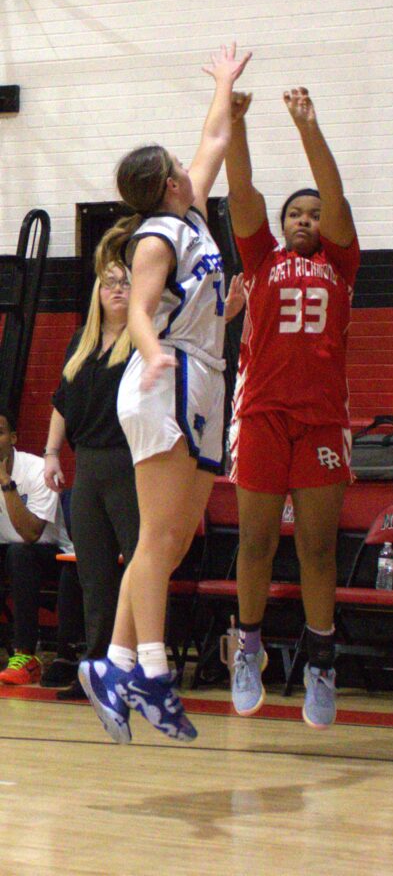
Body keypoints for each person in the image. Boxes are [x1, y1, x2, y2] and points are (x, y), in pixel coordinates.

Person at [78, 41, 252, 745]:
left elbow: (215, 136)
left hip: (198, 372)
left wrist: (224, 82)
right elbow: (140, 312)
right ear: (169, 182)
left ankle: (113, 664)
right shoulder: (155, 237)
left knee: (171, 540)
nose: (191, 163)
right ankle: (150, 671)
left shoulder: (193, 218)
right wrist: (152, 359)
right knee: (157, 538)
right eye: (180, 165)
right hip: (165, 379)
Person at [224, 86, 360, 729]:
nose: (307, 219)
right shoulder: (259, 260)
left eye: (314, 213)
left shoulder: (342, 262)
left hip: (323, 420)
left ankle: (321, 664)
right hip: (262, 416)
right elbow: (243, 190)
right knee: (254, 541)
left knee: (317, 548)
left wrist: (310, 126)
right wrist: (236, 125)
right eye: (295, 214)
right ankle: (247, 647)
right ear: (281, 227)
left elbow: (334, 197)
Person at [43, 261, 140, 698]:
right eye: (110, 283)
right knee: (94, 576)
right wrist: (50, 453)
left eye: (126, 282)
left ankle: (138, 670)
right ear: (98, 293)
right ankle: (99, 671)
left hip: (133, 465)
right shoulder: (79, 344)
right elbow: (61, 402)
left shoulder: (144, 341)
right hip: (88, 466)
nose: (118, 289)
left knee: (140, 570)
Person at [0, 407, 74, 684]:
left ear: (14, 438)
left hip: (52, 556)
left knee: (21, 554)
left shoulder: (37, 470)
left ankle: (26, 655)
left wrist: (6, 483)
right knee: (15, 555)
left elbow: (31, 534)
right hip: (8, 552)